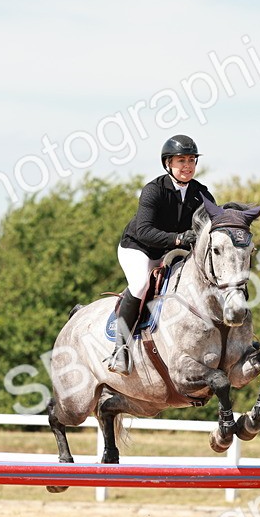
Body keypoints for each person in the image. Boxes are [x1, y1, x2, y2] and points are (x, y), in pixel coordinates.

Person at [107, 134, 216, 376]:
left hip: (173, 253)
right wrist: (178, 238)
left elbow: (214, 221)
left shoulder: (201, 193)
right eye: (181, 161)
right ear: (168, 164)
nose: (187, 166)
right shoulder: (154, 190)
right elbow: (145, 231)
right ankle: (120, 349)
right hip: (139, 248)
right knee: (141, 284)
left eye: (191, 160)